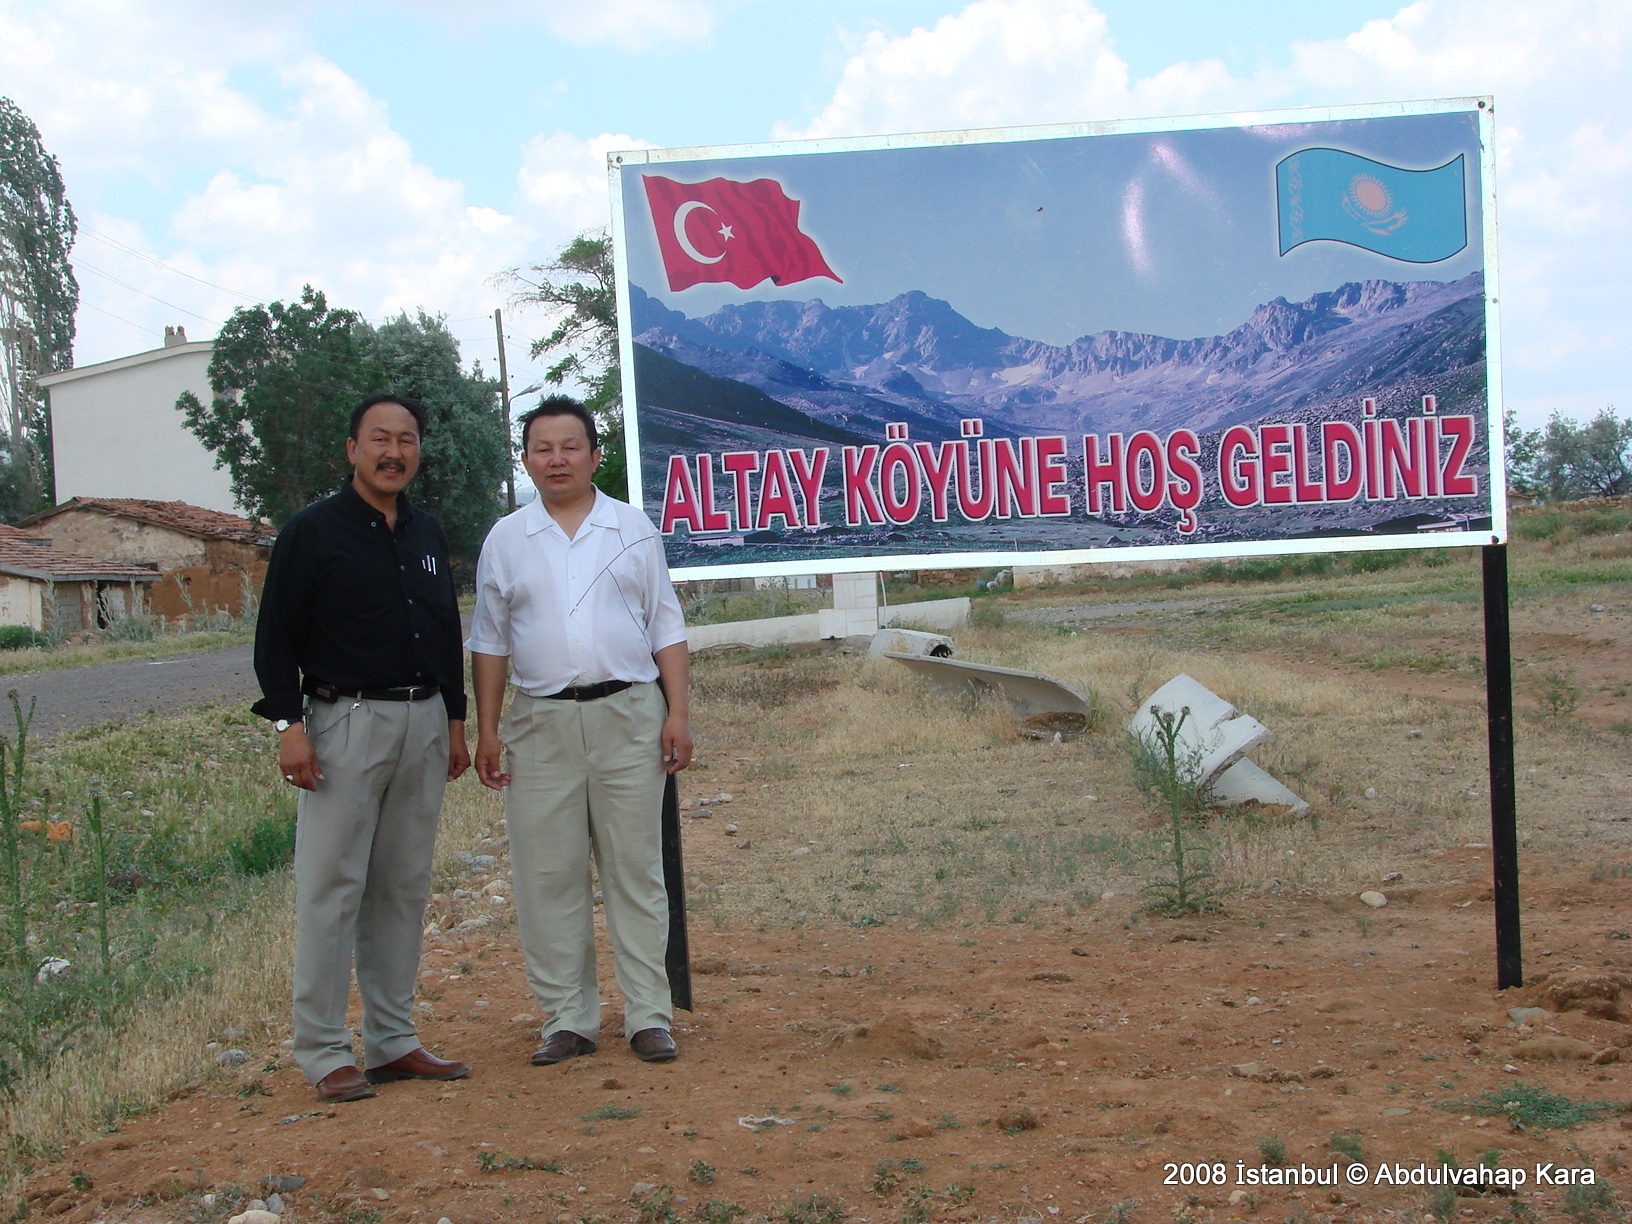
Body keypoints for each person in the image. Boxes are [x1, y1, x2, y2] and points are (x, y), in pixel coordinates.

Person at [253, 393, 473, 1103]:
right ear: (352, 449)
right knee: (331, 889)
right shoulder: (312, 533)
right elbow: (274, 637)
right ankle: (322, 1051)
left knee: (403, 887)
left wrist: (457, 723)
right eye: (379, 438)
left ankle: (392, 1040)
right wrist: (288, 726)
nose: (393, 452)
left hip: (423, 721)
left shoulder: (426, 535)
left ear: (417, 451)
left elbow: (445, 636)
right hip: (342, 722)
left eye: (406, 439)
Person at [468, 395, 691, 1066]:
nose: (557, 458)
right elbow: (490, 640)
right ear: (527, 459)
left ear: (596, 456)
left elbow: (666, 623)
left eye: (571, 446)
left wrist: (678, 713)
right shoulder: (506, 539)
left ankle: (649, 1015)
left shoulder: (632, 529)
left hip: (630, 714)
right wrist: (487, 729)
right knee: (548, 873)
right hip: (539, 723)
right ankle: (568, 1018)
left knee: (635, 869)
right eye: (543, 447)